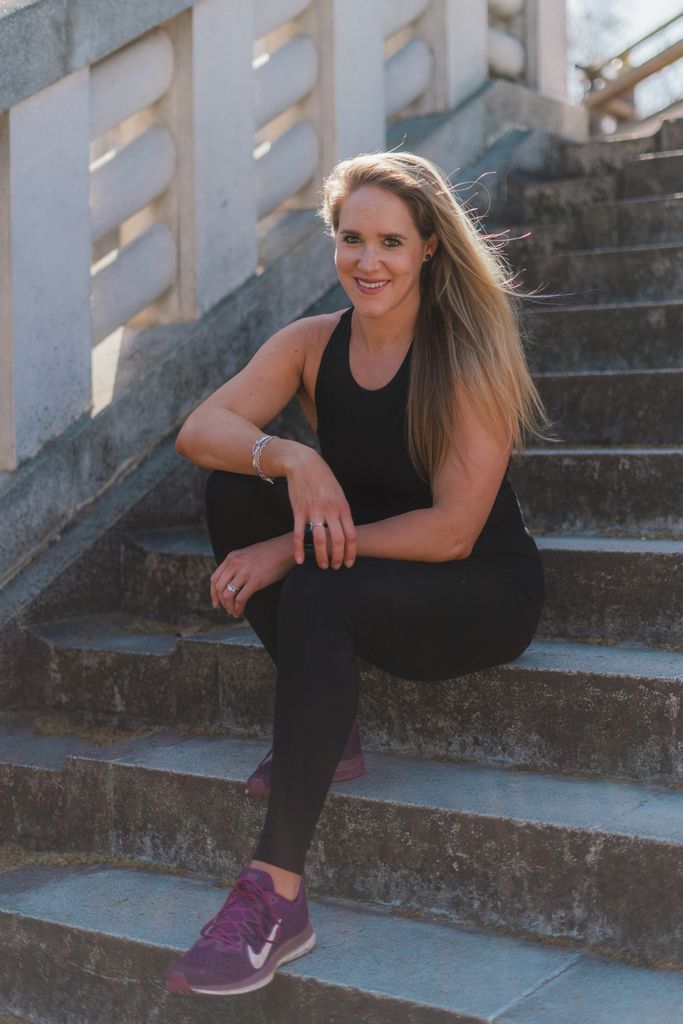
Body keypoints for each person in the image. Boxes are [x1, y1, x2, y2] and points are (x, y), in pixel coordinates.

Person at [165, 151, 548, 996]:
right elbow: (201, 428)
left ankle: (277, 894)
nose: (367, 261)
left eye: (390, 242)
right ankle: (326, 727)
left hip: (476, 589)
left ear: (427, 251)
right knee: (236, 482)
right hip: (365, 572)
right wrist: (291, 456)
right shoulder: (312, 344)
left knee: (312, 580)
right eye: (351, 239)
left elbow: (452, 532)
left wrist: (287, 548)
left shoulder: (465, 355)